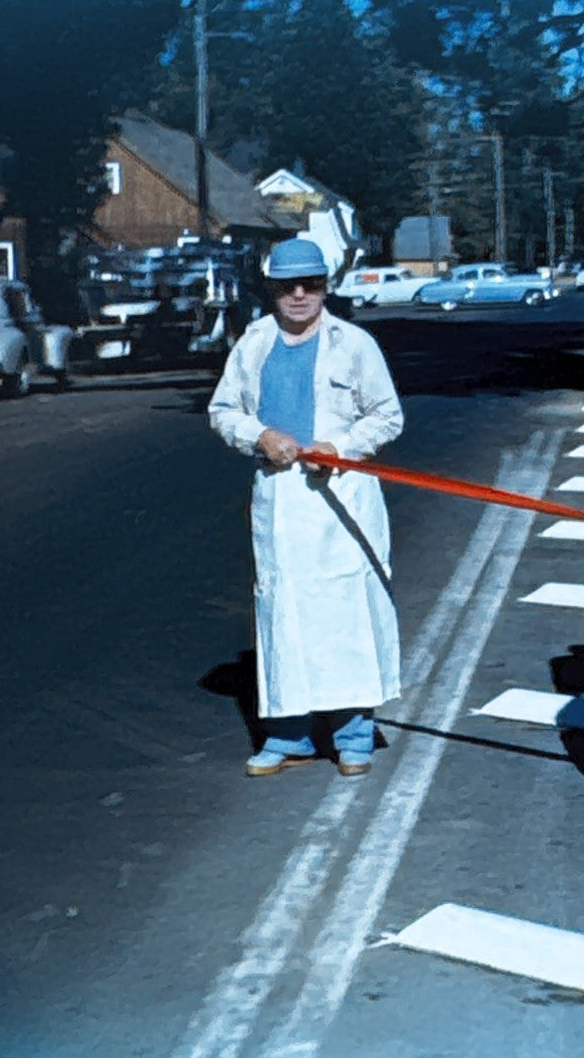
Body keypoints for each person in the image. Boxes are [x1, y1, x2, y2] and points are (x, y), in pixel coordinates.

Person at [208, 238, 404, 777]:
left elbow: (387, 416)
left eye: (311, 284)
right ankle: (288, 734)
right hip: (281, 495)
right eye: (287, 285)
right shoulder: (253, 344)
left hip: (341, 496)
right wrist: (260, 433)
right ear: (271, 288)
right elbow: (223, 410)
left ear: (326, 286)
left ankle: (353, 735)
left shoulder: (354, 344)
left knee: (347, 614)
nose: (299, 295)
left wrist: (340, 451)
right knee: (284, 614)